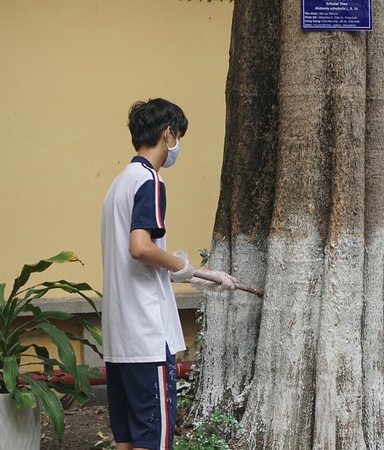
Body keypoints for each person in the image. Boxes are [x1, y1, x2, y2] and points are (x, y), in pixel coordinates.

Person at [101, 98, 237, 450]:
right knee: (154, 441)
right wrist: (181, 265)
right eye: (178, 136)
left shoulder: (117, 185)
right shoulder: (150, 181)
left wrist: (198, 275)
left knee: (127, 440)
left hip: (119, 338)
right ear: (168, 133)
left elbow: (137, 260)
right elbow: (140, 247)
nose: (176, 146)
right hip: (147, 334)